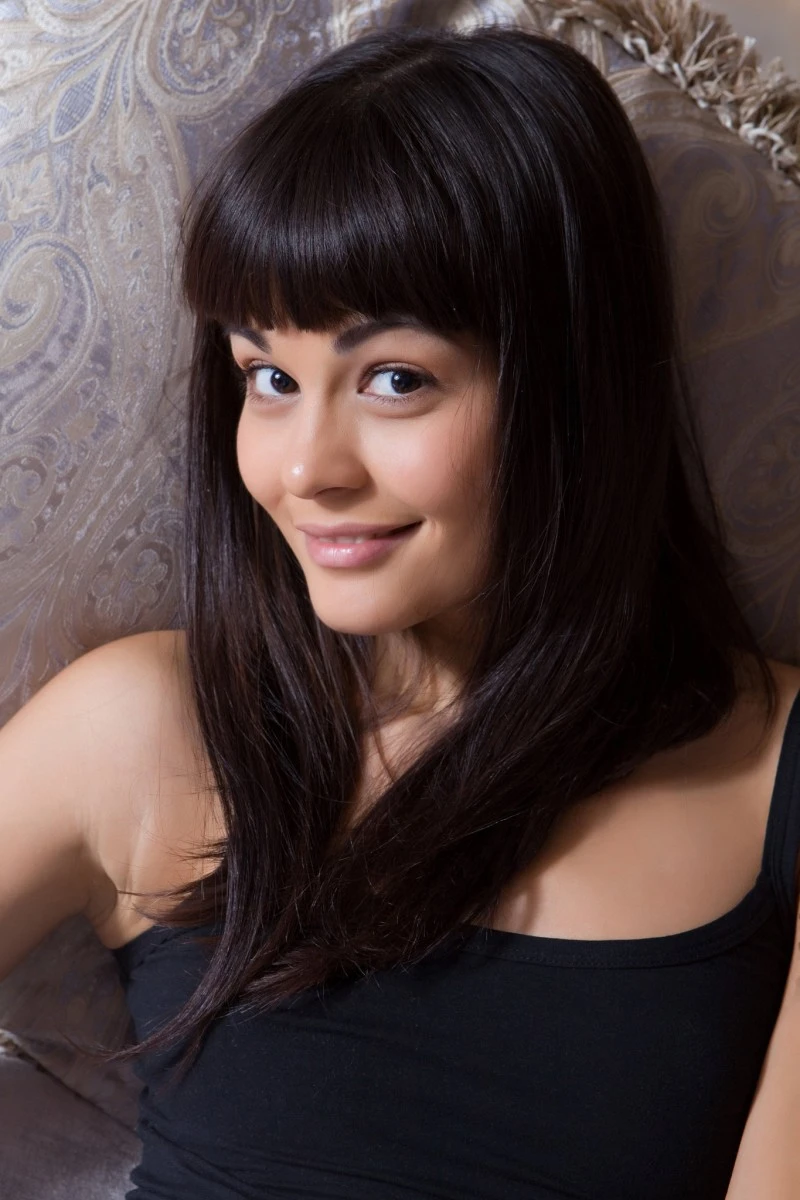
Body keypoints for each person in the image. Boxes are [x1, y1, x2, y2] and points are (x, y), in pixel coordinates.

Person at [2, 23, 799, 1200]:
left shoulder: (771, 776)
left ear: (571, 388)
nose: (303, 469)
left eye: (394, 379)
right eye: (268, 377)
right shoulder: (142, 727)